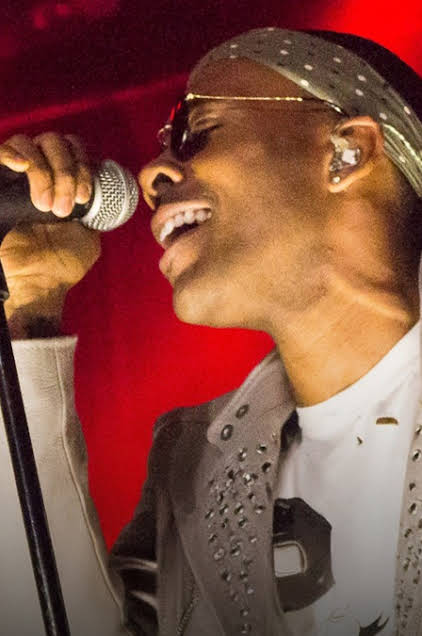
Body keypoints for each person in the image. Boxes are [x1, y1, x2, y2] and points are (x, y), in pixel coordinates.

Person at [0, 27, 421, 636]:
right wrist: (32, 307)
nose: (152, 174)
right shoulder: (192, 468)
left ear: (347, 151)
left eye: (197, 131)